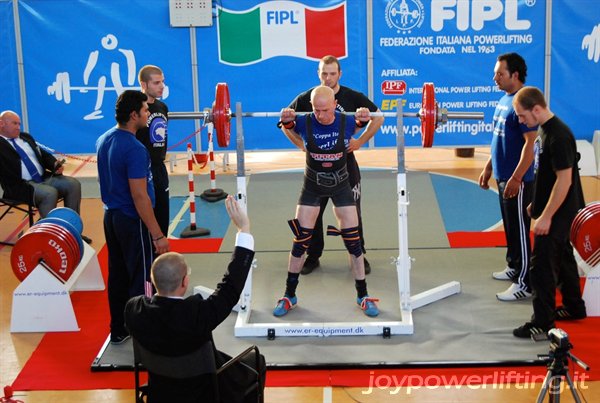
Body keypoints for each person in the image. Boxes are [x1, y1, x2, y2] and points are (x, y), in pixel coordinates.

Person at [125, 195, 265, 403]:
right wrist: (243, 229)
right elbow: (231, 287)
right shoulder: (197, 314)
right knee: (257, 361)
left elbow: (229, 289)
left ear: (154, 281)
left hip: (161, 391)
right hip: (203, 393)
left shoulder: (134, 310)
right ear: (185, 282)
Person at [273, 85, 379, 318]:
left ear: (334, 105)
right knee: (300, 240)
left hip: (341, 184)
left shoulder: (347, 121)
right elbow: (287, 125)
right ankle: (289, 294)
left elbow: (371, 118)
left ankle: (362, 295)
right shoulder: (304, 122)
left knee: (353, 241)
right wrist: (287, 118)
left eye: (324, 110)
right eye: (315, 110)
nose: (320, 115)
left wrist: (364, 115)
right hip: (312, 185)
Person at [282, 55, 384, 275]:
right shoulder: (309, 97)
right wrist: (302, 145)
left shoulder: (352, 96)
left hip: (346, 168)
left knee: (353, 212)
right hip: (317, 169)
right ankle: (313, 255)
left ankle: (359, 253)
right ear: (318, 74)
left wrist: (360, 141)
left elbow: (378, 117)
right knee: (313, 215)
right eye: (323, 73)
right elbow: (284, 122)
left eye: (332, 73)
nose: (327, 78)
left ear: (339, 74)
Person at [511, 86, 587, 339]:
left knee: (541, 267)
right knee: (564, 257)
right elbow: (548, 175)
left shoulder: (560, 135)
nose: (521, 121)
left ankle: (542, 323)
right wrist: (538, 203)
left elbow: (564, 181)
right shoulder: (543, 131)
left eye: (522, 116)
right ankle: (575, 307)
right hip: (554, 208)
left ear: (536, 109)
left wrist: (546, 216)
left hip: (560, 212)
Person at [96, 90, 170, 344]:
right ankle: (144, 335)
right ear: (133, 115)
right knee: (142, 277)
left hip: (111, 218)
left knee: (117, 274)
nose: (149, 114)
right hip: (132, 220)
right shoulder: (136, 149)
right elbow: (140, 196)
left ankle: (118, 329)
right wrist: (157, 234)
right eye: (145, 110)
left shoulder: (104, 140)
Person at [478, 53, 537, 301]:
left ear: (515, 75)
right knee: (511, 226)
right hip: (503, 175)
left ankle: (525, 282)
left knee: (521, 230)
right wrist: (489, 167)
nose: (495, 78)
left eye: (500, 73)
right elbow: (497, 137)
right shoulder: (504, 100)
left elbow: (531, 143)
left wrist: (516, 177)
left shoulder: (524, 100)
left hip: (519, 180)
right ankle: (514, 265)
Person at [0, 110, 91, 243]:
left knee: (73, 184)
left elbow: (44, 155)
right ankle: (49, 239)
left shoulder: (26, 137)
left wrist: (55, 164)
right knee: (49, 193)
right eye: (14, 123)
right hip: (20, 186)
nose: (18, 127)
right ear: (1, 124)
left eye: (19, 124)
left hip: (43, 178)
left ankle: (72, 232)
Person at [136, 65, 170, 236]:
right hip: (141, 171)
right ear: (144, 84)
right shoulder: (135, 110)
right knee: (146, 221)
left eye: (162, 81)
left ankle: (160, 260)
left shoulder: (163, 107)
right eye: (156, 83)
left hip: (159, 169)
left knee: (163, 218)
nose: (162, 86)